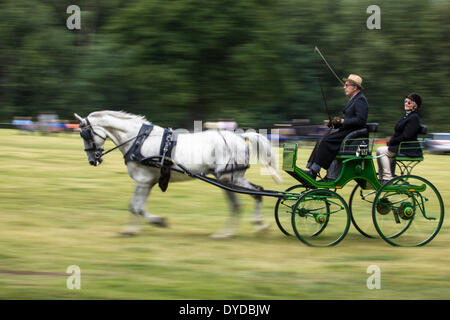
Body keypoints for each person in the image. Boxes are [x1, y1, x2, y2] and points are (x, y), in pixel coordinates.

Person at [306, 74, 369, 180]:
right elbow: (350, 119)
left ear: (355, 87)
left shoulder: (360, 100)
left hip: (353, 135)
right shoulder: (353, 99)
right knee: (322, 139)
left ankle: (314, 172)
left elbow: (360, 120)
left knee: (326, 141)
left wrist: (343, 121)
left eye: (346, 85)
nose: (344, 87)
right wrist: (336, 123)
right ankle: (312, 169)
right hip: (347, 131)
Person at [376, 93, 423, 184]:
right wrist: (391, 141)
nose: (406, 103)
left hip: (408, 148)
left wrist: (392, 141)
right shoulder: (408, 116)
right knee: (379, 150)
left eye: (409, 102)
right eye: (405, 101)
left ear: (415, 106)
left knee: (381, 151)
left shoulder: (414, 118)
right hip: (402, 146)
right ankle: (383, 177)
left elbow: (406, 135)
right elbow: (399, 133)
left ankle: (387, 178)